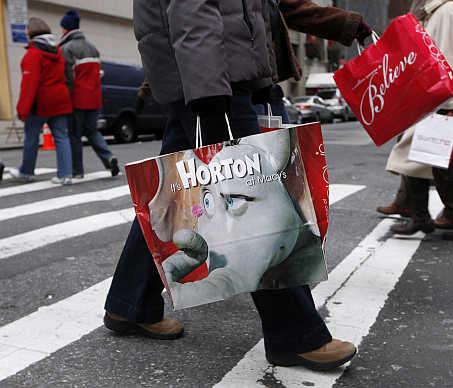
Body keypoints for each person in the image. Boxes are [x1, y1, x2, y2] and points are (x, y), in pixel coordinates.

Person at [104, 0, 359, 371]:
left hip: (207, 80)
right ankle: (297, 335)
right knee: (255, 191)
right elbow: (192, 11)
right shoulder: (209, 86)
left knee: (176, 190)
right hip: (211, 83)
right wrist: (208, 92)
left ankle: (130, 303)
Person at [381, 0, 453, 242]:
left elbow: (452, 60)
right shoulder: (441, 11)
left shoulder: (449, 11)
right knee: (424, 155)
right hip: (441, 97)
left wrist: (447, 107)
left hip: (447, 99)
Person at [59, 9, 119, 178]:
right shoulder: (93, 48)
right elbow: (99, 74)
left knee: (75, 135)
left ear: (66, 29)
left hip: (78, 100)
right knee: (92, 131)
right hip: (95, 98)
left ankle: (78, 171)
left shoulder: (66, 49)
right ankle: (109, 158)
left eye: (62, 28)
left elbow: (68, 79)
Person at [15, 17, 73, 185]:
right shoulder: (58, 51)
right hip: (60, 100)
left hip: (40, 103)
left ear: (31, 32)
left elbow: (29, 85)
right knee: (62, 137)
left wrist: (22, 110)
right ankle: (66, 174)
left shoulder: (33, 54)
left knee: (31, 138)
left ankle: (26, 172)